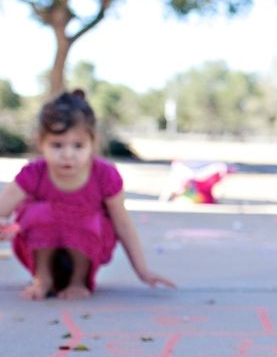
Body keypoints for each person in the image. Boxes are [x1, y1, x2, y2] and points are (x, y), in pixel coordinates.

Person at [0, 90, 176, 300]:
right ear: (41, 143)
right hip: (41, 250)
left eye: (78, 145)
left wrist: (142, 271)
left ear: (93, 142)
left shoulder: (104, 175)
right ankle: (43, 278)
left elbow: (123, 225)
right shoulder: (33, 173)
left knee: (87, 217)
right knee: (38, 213)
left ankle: (78, 281)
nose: (68, 154)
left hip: (88, 248)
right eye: (57, 145)